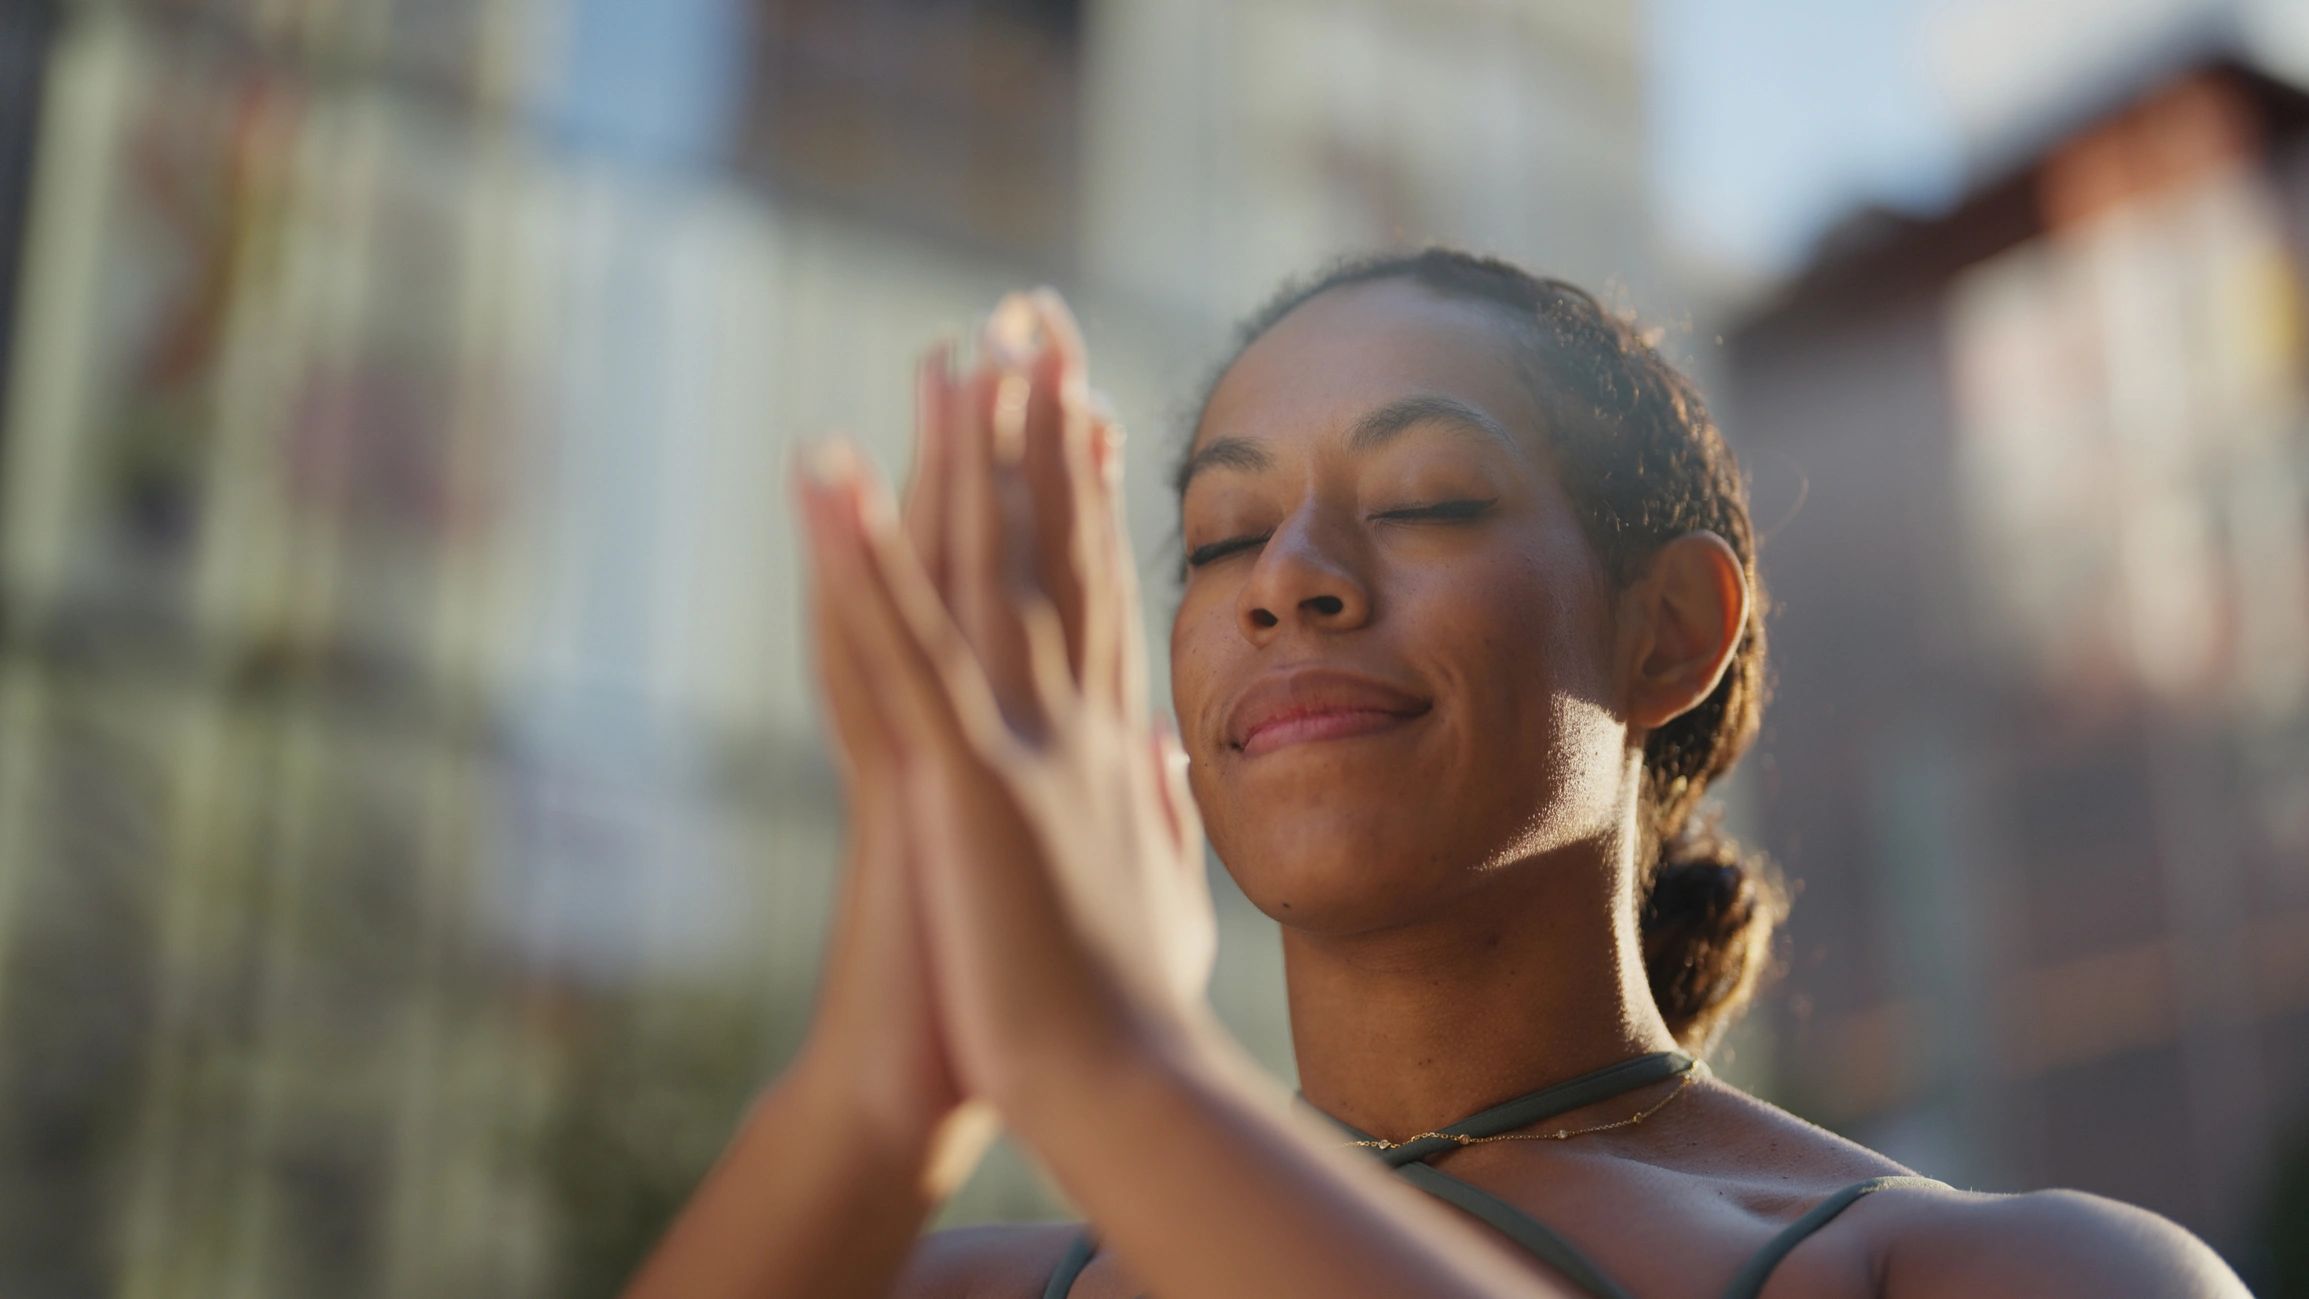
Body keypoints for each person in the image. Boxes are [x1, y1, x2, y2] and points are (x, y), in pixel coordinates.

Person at [622, 249, 2250, 1298]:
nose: (1288, 580)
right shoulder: (940, 1283)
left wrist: (1106, 1063)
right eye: (1220, 536)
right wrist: (872, 1083)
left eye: (1422, 500)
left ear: (1666, 631)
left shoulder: (2014, 1274)